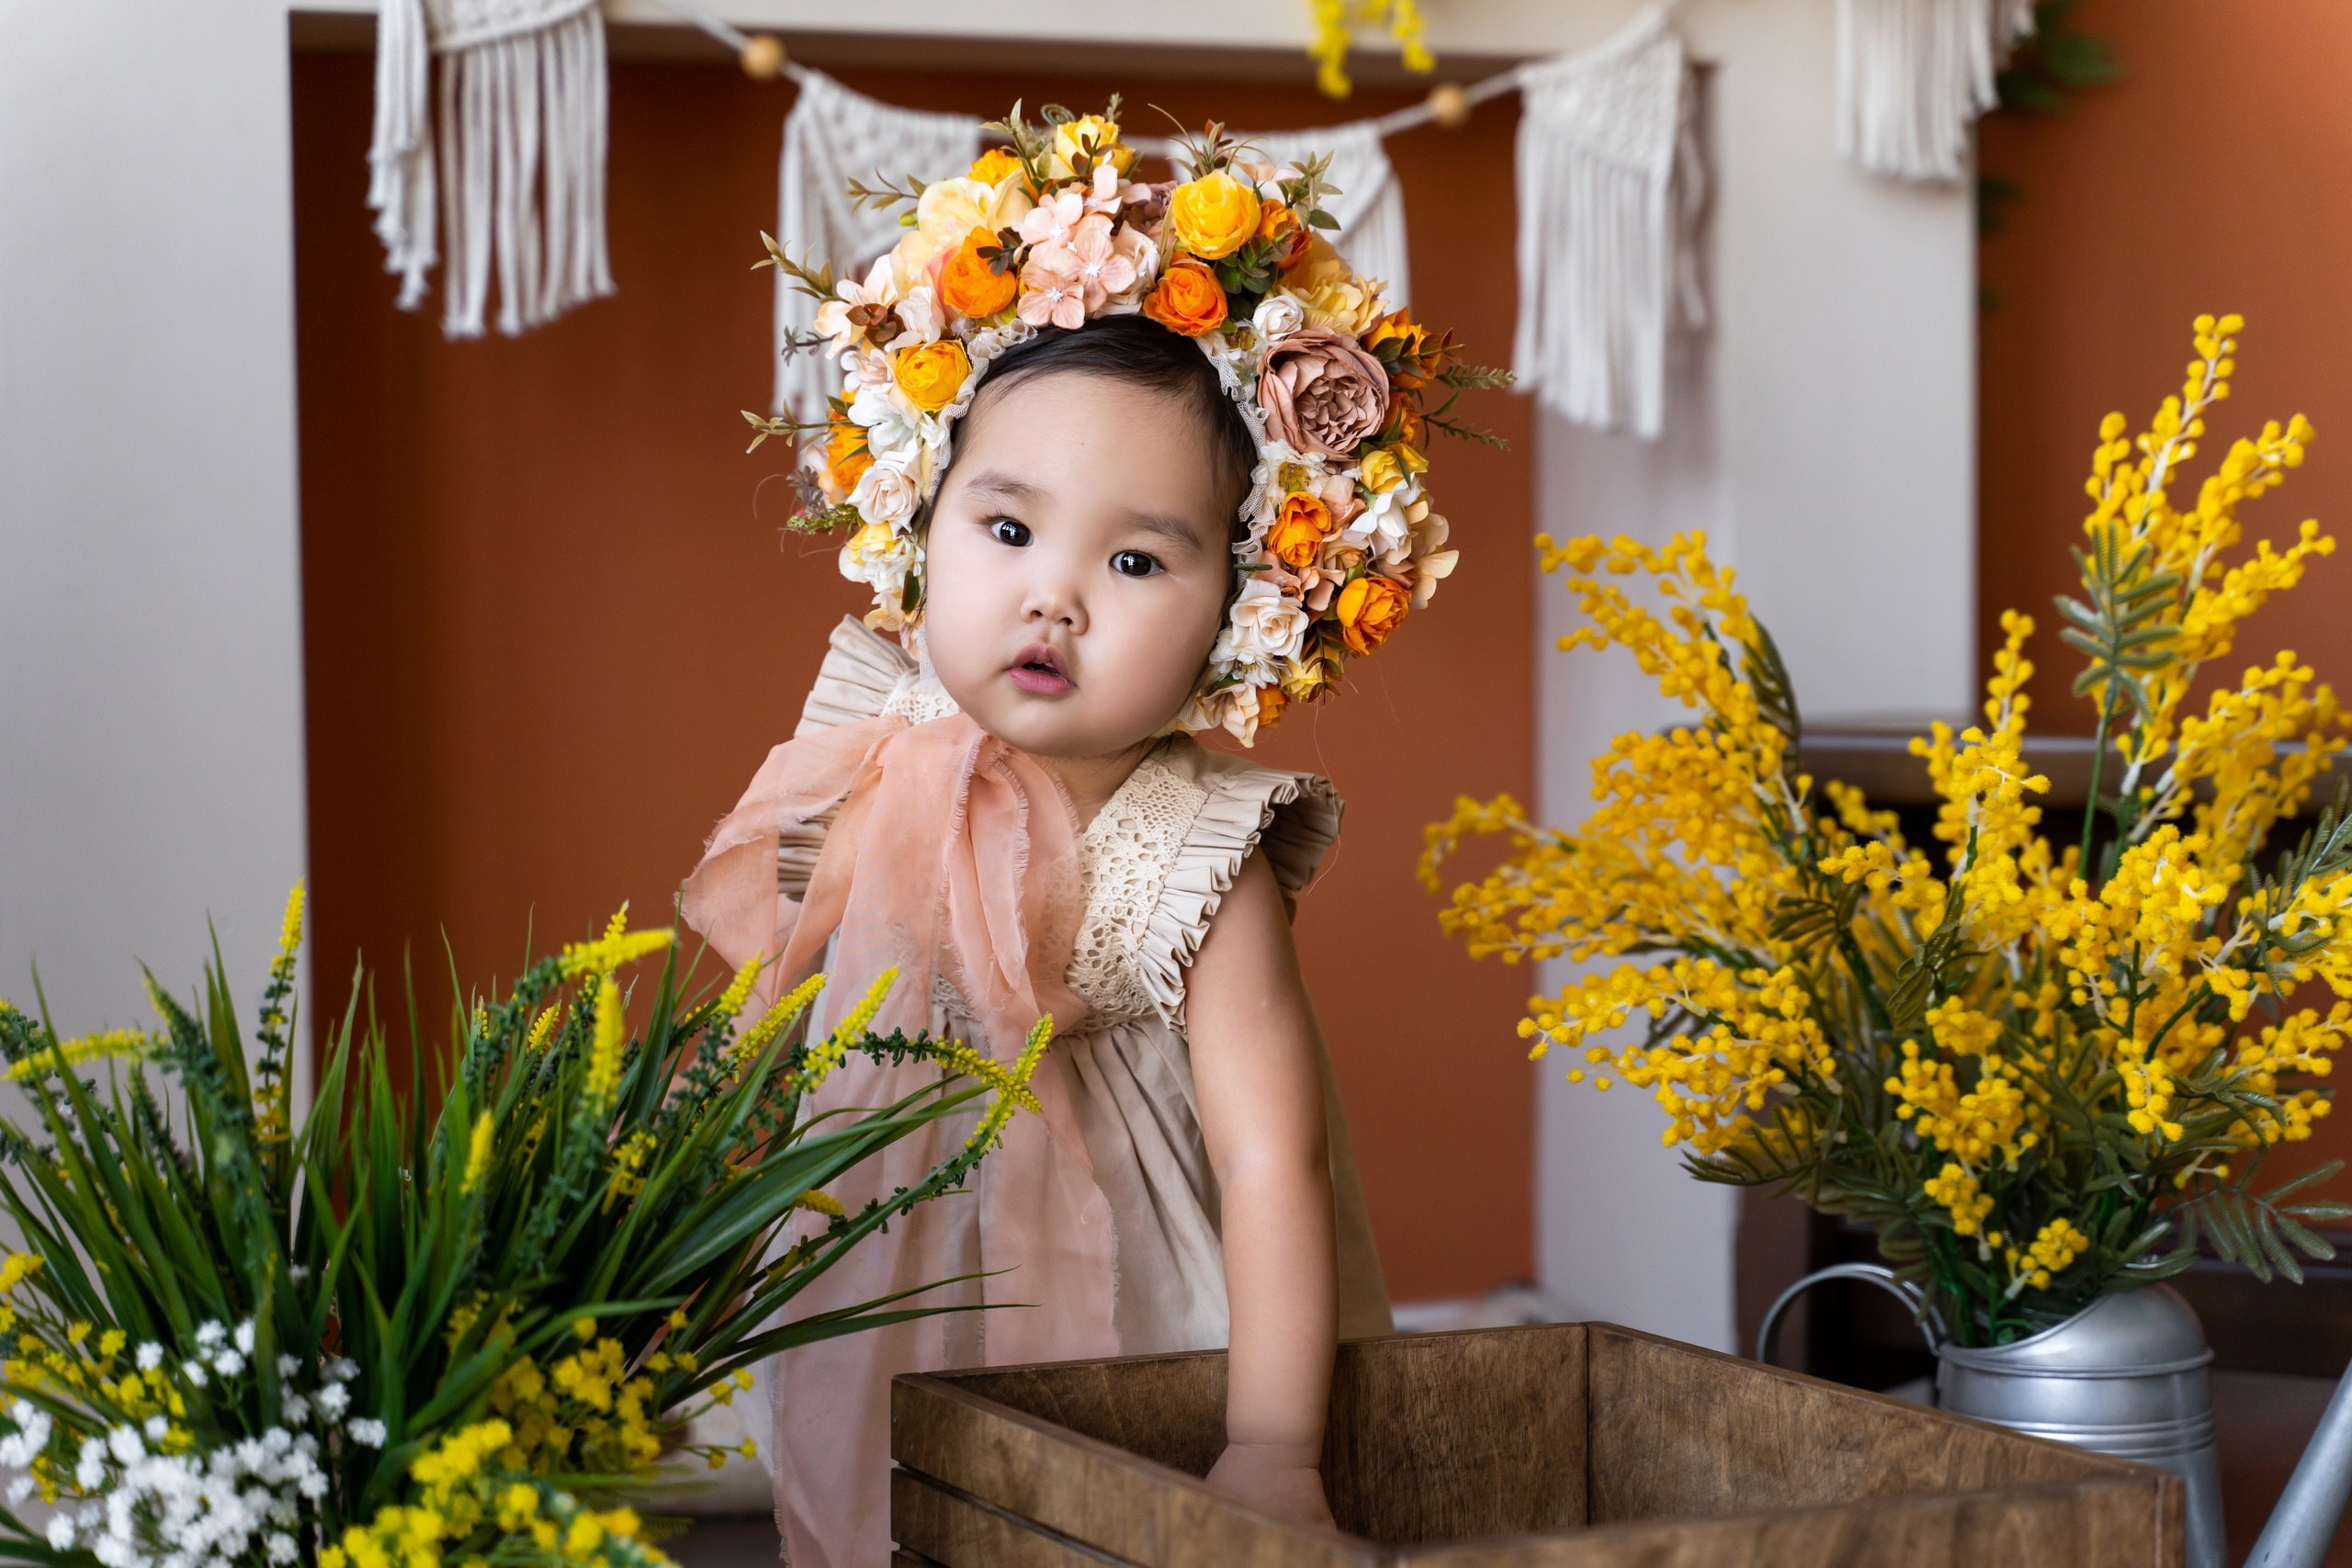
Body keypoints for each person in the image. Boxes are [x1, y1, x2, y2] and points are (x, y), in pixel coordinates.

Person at [681, 107, 1478, 1566]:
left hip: (1148, 1333)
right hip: (894, 1290)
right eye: (1008, 531)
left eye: (1133, 559)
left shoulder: (1199, 855)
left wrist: (1271, 1447)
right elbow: (768, 1017)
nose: (1057, 597)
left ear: (1244, 608)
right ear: (921, 526)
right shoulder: (877, 766)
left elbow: (1271, 1169)